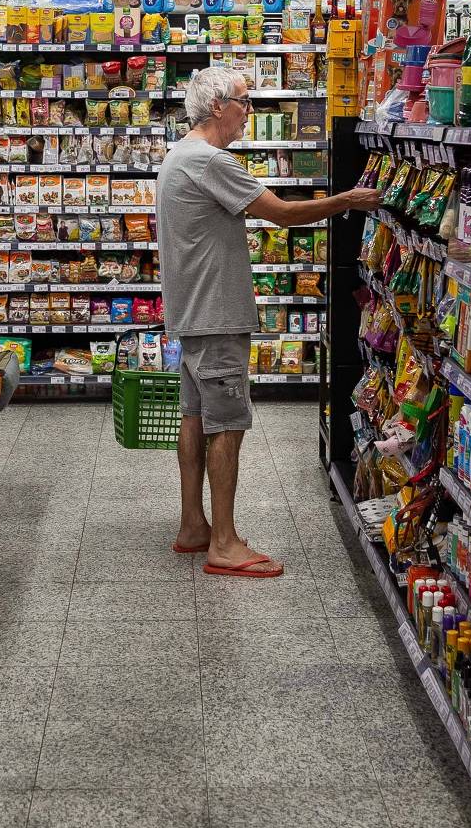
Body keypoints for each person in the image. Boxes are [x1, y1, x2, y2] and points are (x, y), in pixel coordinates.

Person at [155, 64, 379, 578]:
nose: (249, 111)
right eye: (244, 101)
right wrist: (348, 200)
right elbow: (283, 213)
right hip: (216, 315)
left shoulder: (179, 154)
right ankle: (224, 543)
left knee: (195, 418)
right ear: (218, 107)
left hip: (192, 314)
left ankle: (194, 525)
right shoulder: (211, 161)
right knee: (228, 425)